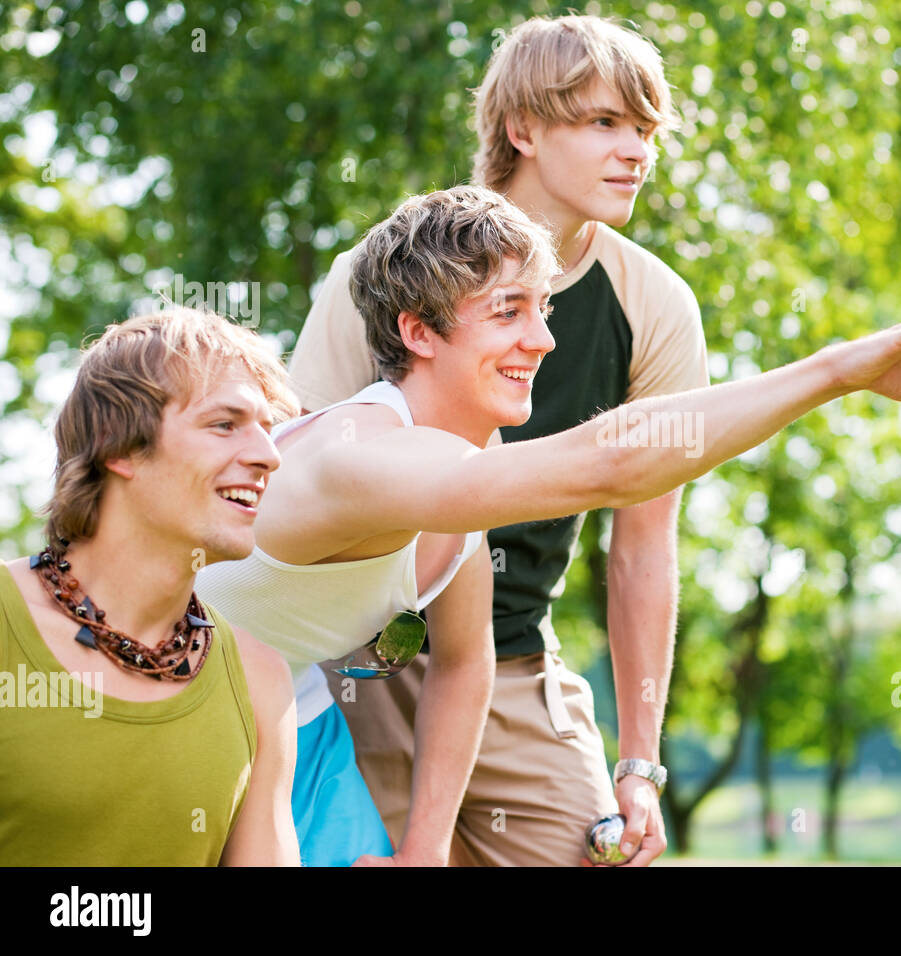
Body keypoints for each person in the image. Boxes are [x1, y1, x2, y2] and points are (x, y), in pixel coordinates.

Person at [203, 182, 901, 866]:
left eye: (544, 307)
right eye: (509, 312)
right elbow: (610, 461)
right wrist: (842, 369)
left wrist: (422, 856)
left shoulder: (458, 469)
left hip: (288, 710)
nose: (545, 337)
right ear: (418, 333)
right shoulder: (364, 458)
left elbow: (463, 664)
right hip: (175, 699)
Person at [288, 13, 707, 867]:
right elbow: (279, 482)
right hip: (353, 668)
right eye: (603, 122)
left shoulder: (655, 307)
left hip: (512, 663)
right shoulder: (382, 272)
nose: (636, 151)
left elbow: (642, 552)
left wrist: (639, 763)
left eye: (644, 129)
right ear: (522, 129)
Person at [0, 309, 300, 866]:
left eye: (266, 427)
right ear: (118, 445)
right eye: (224, 424)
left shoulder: (259, 682)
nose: (268, 455)